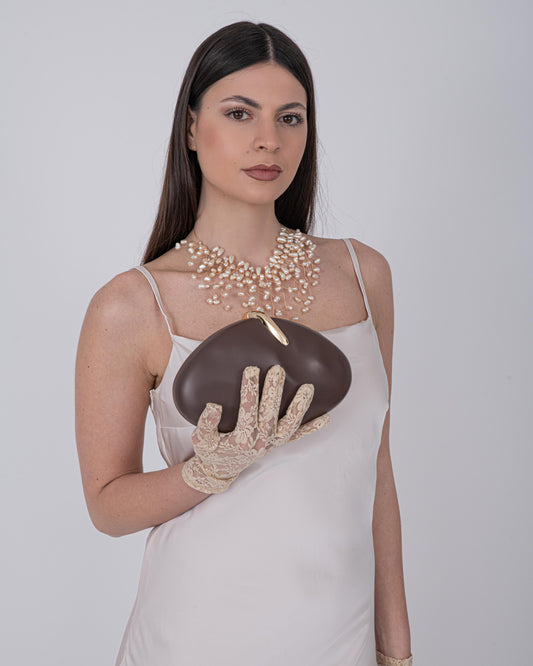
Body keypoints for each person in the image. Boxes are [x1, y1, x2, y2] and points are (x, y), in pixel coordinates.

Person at [75, 20, 412, 666]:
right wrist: (204, 472)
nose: (268, 140)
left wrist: (395, 650)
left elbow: (378, 470)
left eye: (290, 118)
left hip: (338, 640)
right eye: (239, 113)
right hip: (194, 638)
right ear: (190, 129)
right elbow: (107, 506)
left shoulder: (363, 275)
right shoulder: (133, 305)